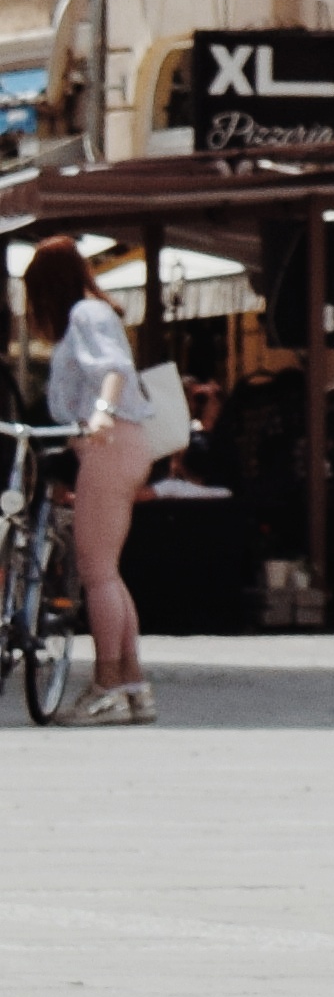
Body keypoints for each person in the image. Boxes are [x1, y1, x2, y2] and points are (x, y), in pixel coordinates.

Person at [28, 243, 162, 726]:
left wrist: (102, 414)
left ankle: (107, 683)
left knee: (96, 571)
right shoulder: (95, 310)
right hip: (125, 446)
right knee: (108, 571)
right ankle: (131, 683)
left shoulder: (85, 313)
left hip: (108, 444)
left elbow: (112, 369)